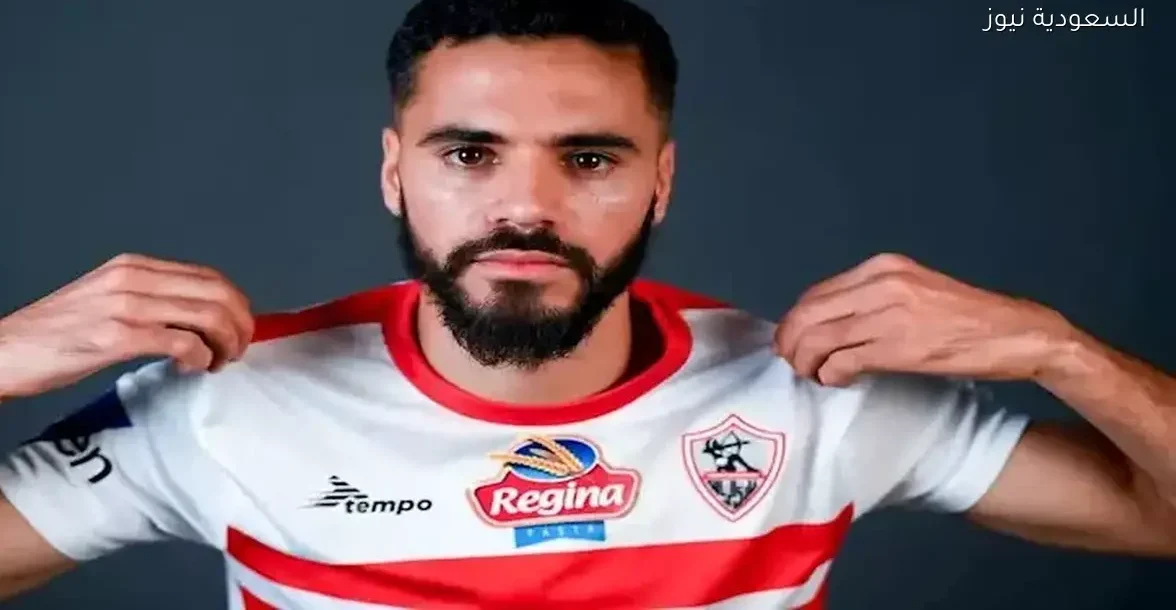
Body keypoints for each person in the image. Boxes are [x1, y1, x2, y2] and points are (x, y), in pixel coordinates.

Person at [1, 0, 1173, 608]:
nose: (527, 206)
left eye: (590, 158)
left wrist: (1059, 349)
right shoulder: (224, 403)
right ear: (395, 172)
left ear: (661, 181)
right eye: (470, 154)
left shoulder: (816, 396)